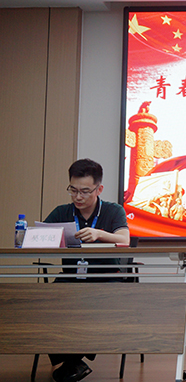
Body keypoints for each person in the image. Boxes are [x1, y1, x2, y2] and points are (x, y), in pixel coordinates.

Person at [44, 158, 130, 382]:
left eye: (84, 191)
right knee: (46, 302)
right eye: (73, 190)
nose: (78, 197)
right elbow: (41, 238)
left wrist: (99, 234)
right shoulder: (62, 212)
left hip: (106, 278)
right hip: (71, 277)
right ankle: (73, 364)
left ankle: (72, 363)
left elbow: (124, 239)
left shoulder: (113, 210)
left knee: (94, 305)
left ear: (98, 189)